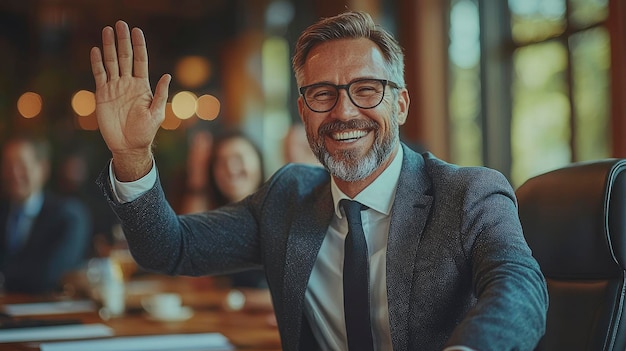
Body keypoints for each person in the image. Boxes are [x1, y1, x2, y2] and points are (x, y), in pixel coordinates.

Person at [90, 11, 548, 351]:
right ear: (303, 111)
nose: (344, 111)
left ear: (401, 104)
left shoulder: (469, 194)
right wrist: (131, 157)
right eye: (322, 94)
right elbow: (169, 248)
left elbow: (519, 288)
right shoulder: (286, 198)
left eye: (366, 89)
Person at [0, 134, 91, 294]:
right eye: (8, 165)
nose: (13, 173)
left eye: (21, 165)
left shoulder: (68, 215)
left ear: (42, 169)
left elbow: (50, 275)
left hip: (48, 313)